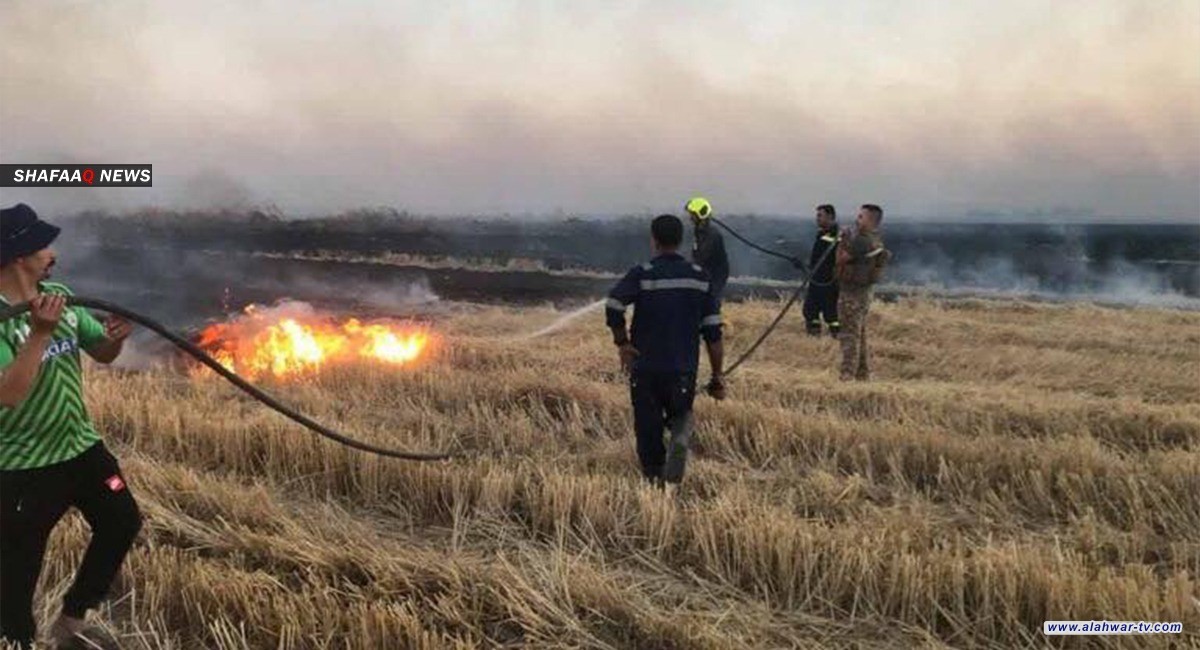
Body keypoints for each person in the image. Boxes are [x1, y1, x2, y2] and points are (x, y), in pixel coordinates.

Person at [0, 203, 141, 650]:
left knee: (122, 521)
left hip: (81, 447)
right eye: (42, 244)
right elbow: (8, 394)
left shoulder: (60, 294)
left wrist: (114, 340)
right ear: (18, 254)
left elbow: (100, 352)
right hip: (23, 466)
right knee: (17, 576)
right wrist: (39, 333)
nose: (51, 252)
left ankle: (72, 621)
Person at [606, 214, 725, 487]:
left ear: (654, 240)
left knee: (648, 427)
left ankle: (654, 478)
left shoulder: (643, 272)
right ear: (681, 240)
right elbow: (713, 332)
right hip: (683, 367)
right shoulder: (700, 277)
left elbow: (614, 304)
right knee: (679, 411)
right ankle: (680, 433)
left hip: (646, 366)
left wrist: (622, 343)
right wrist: (717, 376)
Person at [835, 204, 889, 381]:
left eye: (861, 217)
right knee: (859, 334)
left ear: (870, 220)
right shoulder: (876, 240)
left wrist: (843, 240)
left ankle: (847, 374)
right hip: (863, 293)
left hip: (851, 294)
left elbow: (843, 258)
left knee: (849, 335)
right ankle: (862, 373)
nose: (856, 220)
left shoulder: (861, 241)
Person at [800, 204, 841, 337]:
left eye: (820, 215)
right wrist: (804, 266)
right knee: (810, 310)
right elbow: (817, 258)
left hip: (829, 282)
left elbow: (832, 259)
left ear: (830, 216)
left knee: (831, 313)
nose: (817, 219)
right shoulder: (822, 234)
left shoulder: (837, 236)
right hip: (816, 280)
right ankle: (813, 335)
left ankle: (837, 335)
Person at [684, 197, 730, 304]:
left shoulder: (712, 235)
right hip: (706, 272)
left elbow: (702, 257)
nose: (690, 218)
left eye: (692, 215)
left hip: (715, 275)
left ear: (700, 215)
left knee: (711, 300)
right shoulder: (699, 231)